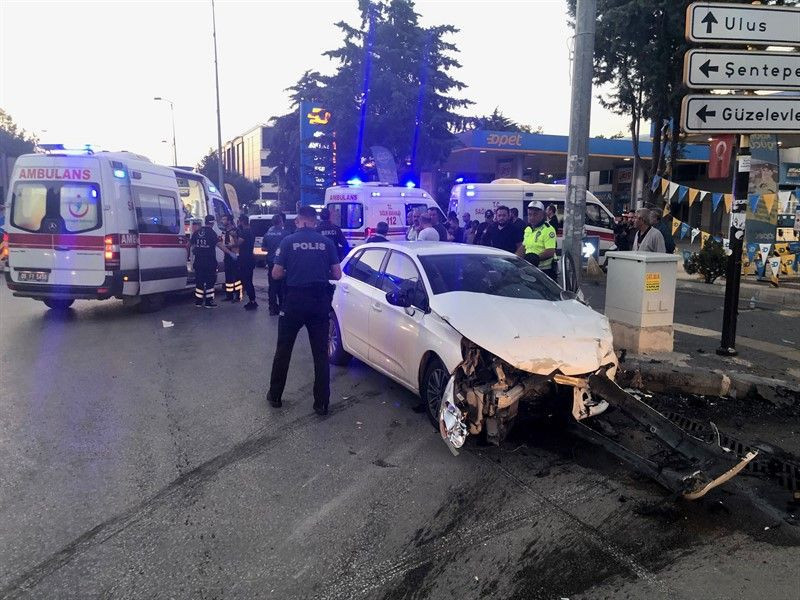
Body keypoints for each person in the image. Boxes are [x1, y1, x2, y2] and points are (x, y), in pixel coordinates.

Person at [267, 206, 342, 416]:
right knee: (320, 354)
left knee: (283, 350)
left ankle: (275, 397)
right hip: (319, 302)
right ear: (314, 221)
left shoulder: (288, 241)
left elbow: (276, 273)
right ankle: (321, 403)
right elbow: (337, 274)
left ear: (299, 220)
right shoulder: (326, 243)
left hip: (294, 302)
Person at [190, 214, 233, 308]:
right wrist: (230, 253)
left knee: (199, 282)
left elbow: (189, 244)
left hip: (198, 262)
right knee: (210, 282)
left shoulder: (197, 232)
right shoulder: (212, 233)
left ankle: (198, 301)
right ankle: (209, 302)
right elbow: (220, 245)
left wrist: (189, 256)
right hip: (209, 262)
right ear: (213, 223)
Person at [517, 201, 557, 280]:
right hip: (528, 268)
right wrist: (515, 258)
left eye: (535, 214)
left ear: (542, 215)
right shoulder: (528, 229)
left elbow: (550, 251)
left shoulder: (548, 229)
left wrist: (535, 258)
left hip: (543, 271)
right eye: (530, 214)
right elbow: (524, 246)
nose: (532, 217)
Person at [262, 213, 289, 315]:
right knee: (282, 287)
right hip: (282, 264)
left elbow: (263, 248)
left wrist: (271, 248)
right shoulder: (285, 234)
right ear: (281, 221)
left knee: (272, 287)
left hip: (271, 262)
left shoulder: (267, 234)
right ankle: (282, 307)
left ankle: (272, 308)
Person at [236, 214, 258, 310]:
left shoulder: (244, 232)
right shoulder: (251, 231)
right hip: (250, 258)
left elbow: (238, 243)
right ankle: (252, 300)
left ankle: (252, 301)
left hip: (245, 259)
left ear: (241, 221)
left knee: (246, 280)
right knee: (249, 279)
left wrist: (232, 239)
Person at [220, 214, 242, 302]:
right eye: (222, 219)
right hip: (227, 256)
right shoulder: (224, 231)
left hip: (235, 255)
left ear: (229, 221)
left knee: (236, 276)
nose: (223, 221)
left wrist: (233, 240)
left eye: (224, 219)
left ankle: (237, 296)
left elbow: (239, 243)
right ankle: (229, 295)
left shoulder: (236, 230)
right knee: (228, 276)